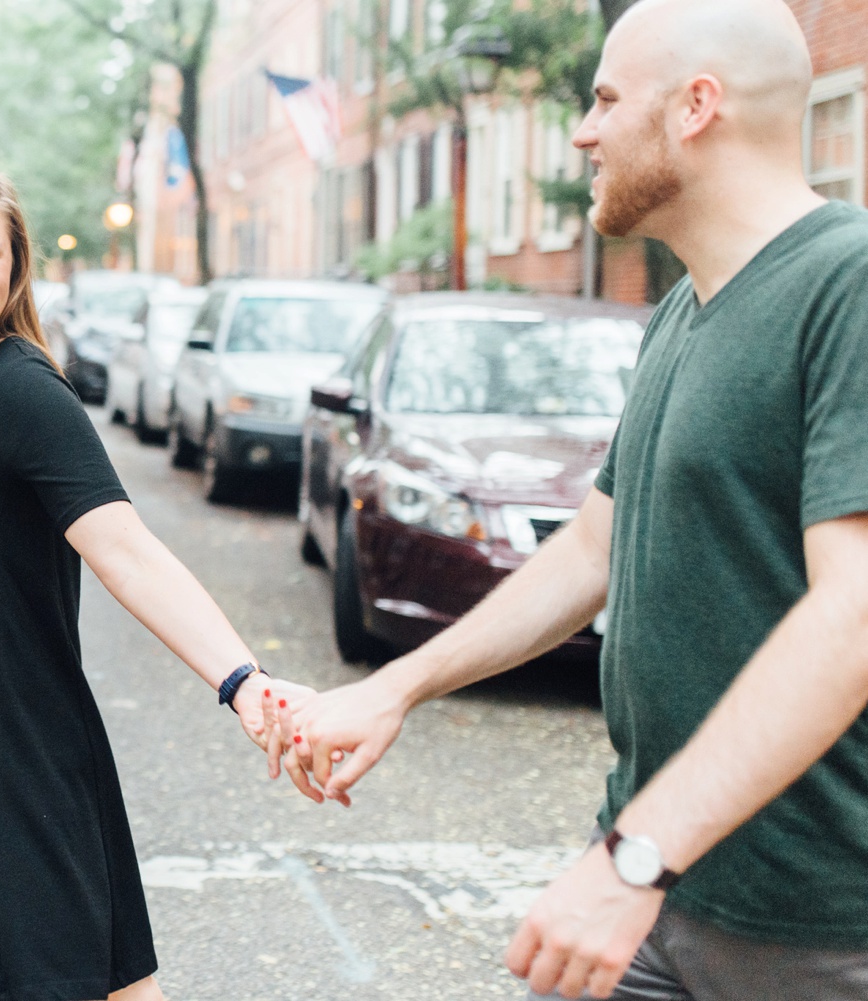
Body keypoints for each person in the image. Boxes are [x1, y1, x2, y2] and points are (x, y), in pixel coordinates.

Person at [266, 1, 868, 998]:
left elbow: (852, 616)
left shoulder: (846, 283)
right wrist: (396, 684)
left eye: (604, 99)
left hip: (814, 926)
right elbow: (591, 552)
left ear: (696, 108)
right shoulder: (681, 309)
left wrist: (638, 855)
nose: (583, 131)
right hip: (656, 887)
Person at [0, 164, 309, 1001]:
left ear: (13, 272)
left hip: (14, 747)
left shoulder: (22, 392)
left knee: (86, 988)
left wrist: (242, 681)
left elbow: (126, 551)